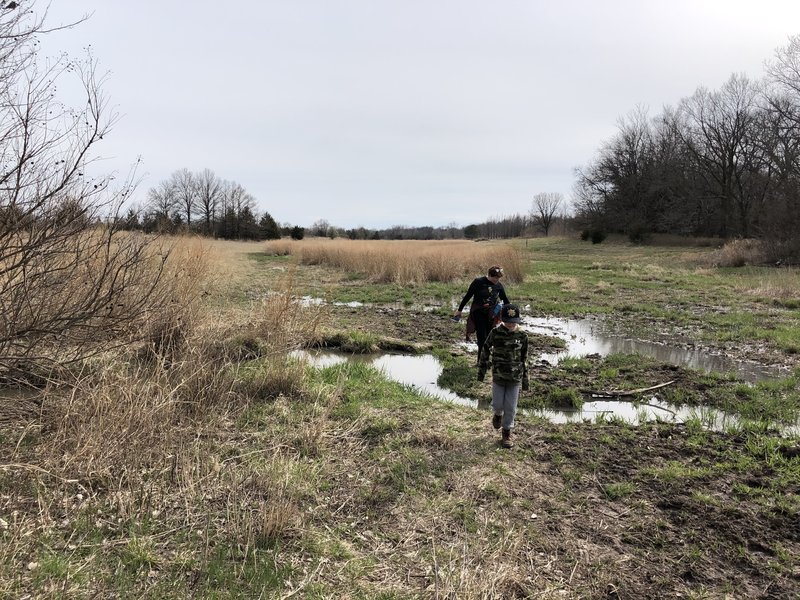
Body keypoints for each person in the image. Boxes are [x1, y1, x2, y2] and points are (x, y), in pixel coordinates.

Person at [477, 303, 529, 449]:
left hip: (515, 378)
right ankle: (498, 414)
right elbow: (485, 350)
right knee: (498, 404)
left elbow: (525, 358)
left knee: (511, 407)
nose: (511, 325)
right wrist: (481, 373)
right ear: (502, 320)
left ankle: (506, 432)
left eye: (514, 322)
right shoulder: (495, 332)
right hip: (498, 376)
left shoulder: (523, 335)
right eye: (508, 321)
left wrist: (525, 381)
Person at [453, 265, 509, 363]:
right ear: (490, 275)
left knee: (489, 337)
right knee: (481, 337)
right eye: (495, 277)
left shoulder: (499, 285)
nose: (497, 280)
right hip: (479, 312)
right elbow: (468, 296)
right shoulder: (478, 282)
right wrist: (459, 310)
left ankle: (486, 359)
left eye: (499, 278)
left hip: (492, 314)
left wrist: (510, 312)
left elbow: (505, 299)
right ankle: (481, 362)